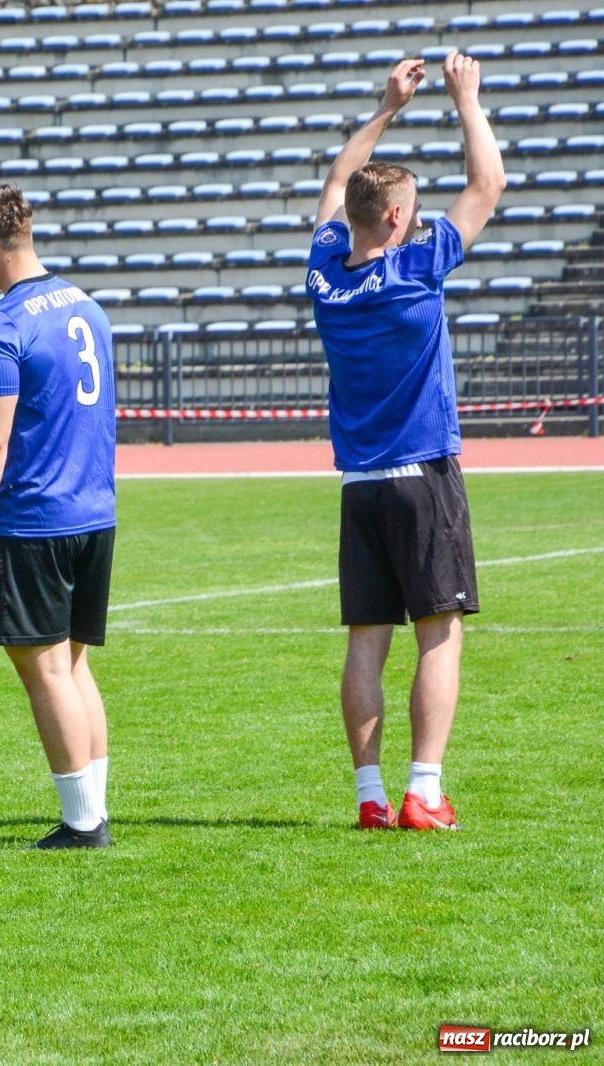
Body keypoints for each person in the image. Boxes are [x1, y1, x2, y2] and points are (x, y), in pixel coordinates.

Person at [307, 54, 504, 832]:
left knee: (366, 639)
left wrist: (385, 109)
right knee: (438, 633)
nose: (422, 219)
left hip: (359, 483)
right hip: (423, 474)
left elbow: (335, 186)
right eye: (414, 209)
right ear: (393, 220)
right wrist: (467, 100)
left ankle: (369, 794)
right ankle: (424, 789)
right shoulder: (418, 267)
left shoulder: (325, 271)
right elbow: (487, 186)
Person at [0, 183, 118, 850]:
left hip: (33, 517)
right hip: (93, 510)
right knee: (73, 665)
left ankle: (82, 822)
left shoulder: (4, 325)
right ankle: (93, 809)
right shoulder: (86, 306)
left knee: (45, 671)